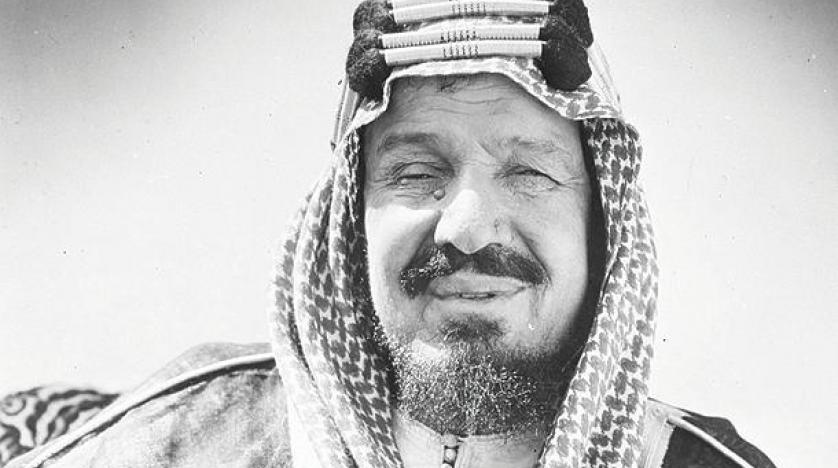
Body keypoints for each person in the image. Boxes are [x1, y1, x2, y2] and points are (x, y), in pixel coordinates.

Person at [0, 1, 776, 467]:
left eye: (529, 172)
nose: (466, 227)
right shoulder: (187, 438)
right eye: (415, 172)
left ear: (602, 227)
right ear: (350, 222)